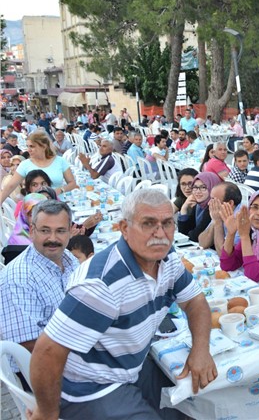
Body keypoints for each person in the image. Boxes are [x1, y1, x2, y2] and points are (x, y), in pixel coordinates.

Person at [28, 189, 216, 420]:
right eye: (148, 223)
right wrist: (47, 413)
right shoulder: (101, 285)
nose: (160, 233)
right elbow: (47, 351)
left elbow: (195, 300)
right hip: (92, 388)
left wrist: (200, 349)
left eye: (167, 223)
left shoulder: (167, 258)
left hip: (131, 368)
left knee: (196, 405)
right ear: (124, 229)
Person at [0, 200, 78, 371]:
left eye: (60, 231)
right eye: (45, 230)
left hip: (71, 351)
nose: (53, 238)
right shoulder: (18, 278)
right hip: (45, 370)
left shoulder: (68, 258)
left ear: (70, 231)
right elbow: (29, 344)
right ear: (32, 231)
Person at [0, 132, 78, 204]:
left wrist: (60, 190)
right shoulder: (25, 164)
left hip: (58, 203)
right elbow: (10, 186)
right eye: (27, 146)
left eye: (32, 146)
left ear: (44, 146)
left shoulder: (60, 161)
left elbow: (72, 183)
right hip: (35, 207)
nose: (28, 150)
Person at [177, 172, 222, 242]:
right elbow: (183, 233)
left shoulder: (213, 207)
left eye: (203, 187)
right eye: (195, 187)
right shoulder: (199, 205)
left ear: (212, 188)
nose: (198, 191)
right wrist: (184, 208)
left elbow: (195, 236)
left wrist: (189, 234)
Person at [200, 181, 243, 250]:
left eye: (214, 200)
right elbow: (202, 243)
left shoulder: (241, 217)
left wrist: (218, 222)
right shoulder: (219, 212)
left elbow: (223, 254)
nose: (209, 203)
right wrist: (214, 221)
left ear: (230, 203)